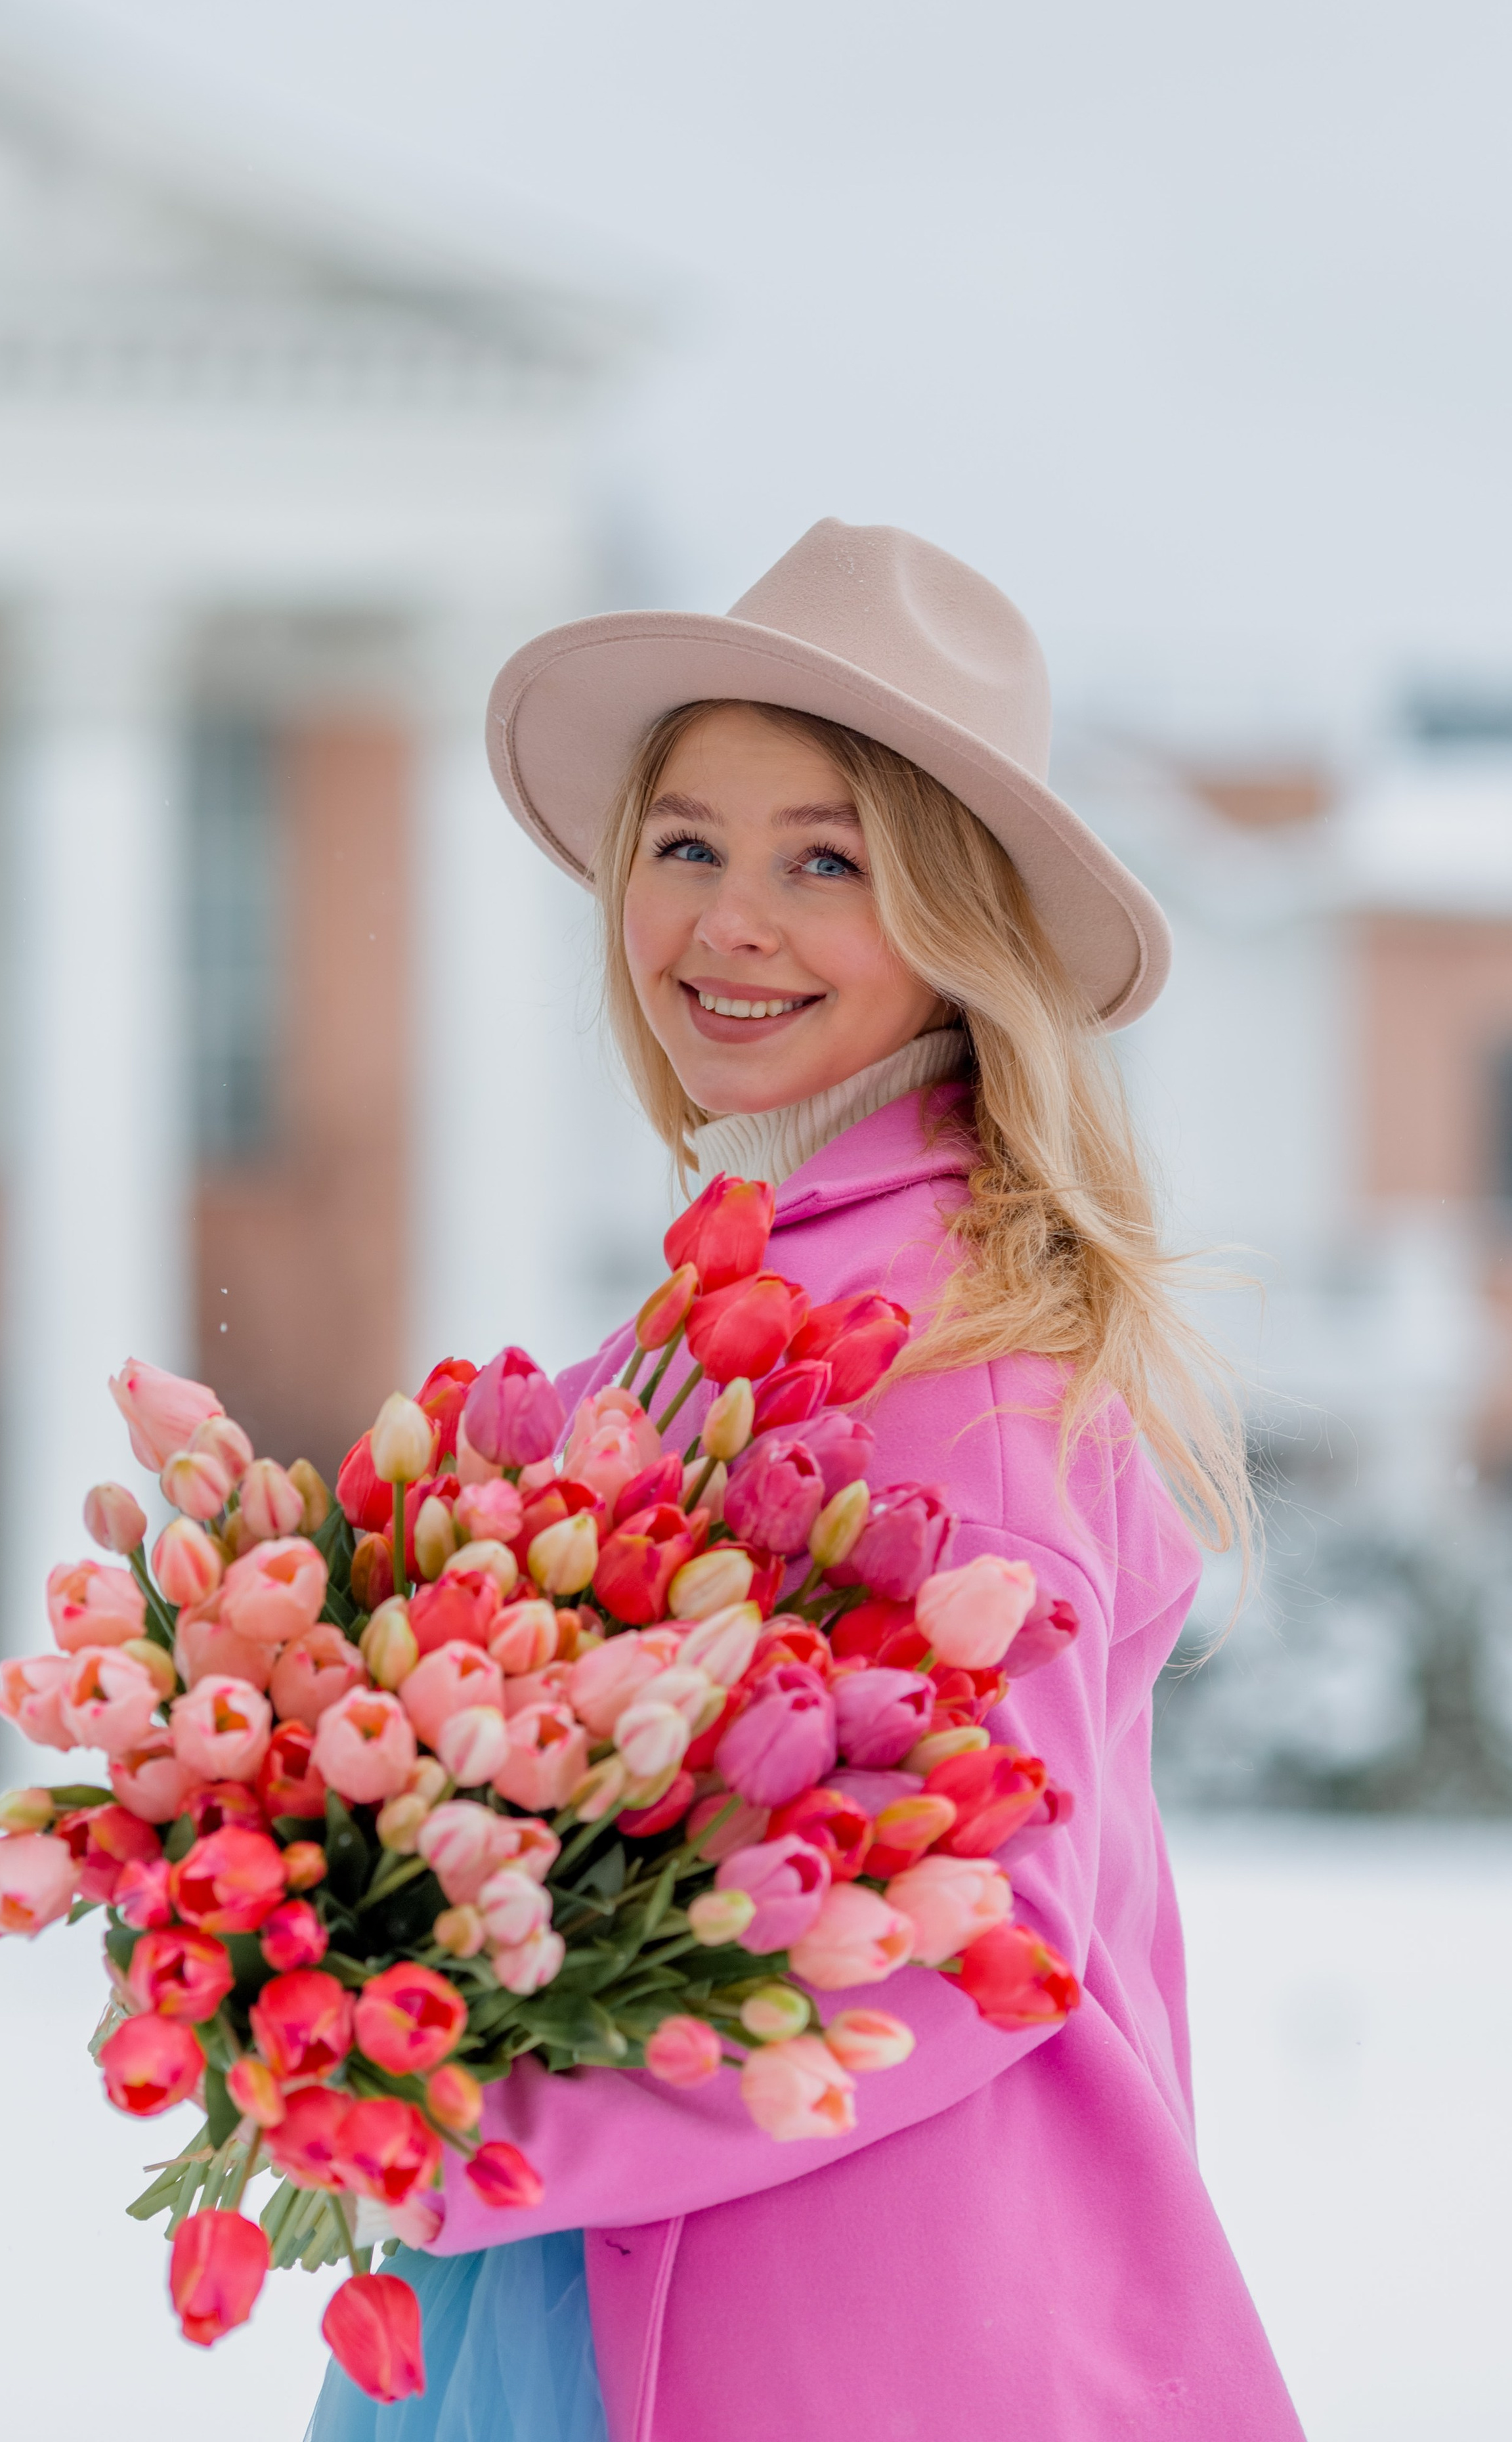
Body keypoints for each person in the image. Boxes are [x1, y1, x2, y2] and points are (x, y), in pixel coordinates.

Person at [309, 521, 1303, 2441]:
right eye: (687, 843)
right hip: (615, 2287)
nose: (727, 920)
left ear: (959, 926)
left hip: (847, 2332)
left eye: (823, 861)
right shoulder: (745, 1296)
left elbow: (960, 1931)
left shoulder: (948, 1364)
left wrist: (493, 2109)